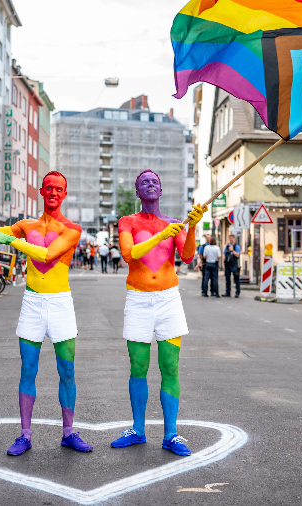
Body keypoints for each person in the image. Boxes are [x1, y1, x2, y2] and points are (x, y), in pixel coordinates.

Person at [0, 171, 94, 453]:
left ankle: (69, 433)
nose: (53, 193)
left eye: (59, 189)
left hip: (60, 303)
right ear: (41, 190)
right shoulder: (26, 225)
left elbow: (47, 255)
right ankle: (25, 435)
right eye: (49, 187)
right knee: (27, 369)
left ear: (65, 193)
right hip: (33, 303)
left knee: (67, 370)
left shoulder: (71, 229)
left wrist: (11, 241)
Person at [113, 169, 206, 456]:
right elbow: (130, 254)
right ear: (137, 191)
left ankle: (171, 434)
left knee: (170, 367)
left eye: (154, 182)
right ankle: (138, 430)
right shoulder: (127, 222)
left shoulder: (175, 224)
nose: (150, 185)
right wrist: (162, 234)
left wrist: (190, 227)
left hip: (169, 300)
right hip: (138, 299)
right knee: (138, 366)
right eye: (144, 182)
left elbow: (188, 257)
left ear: (161, 190)